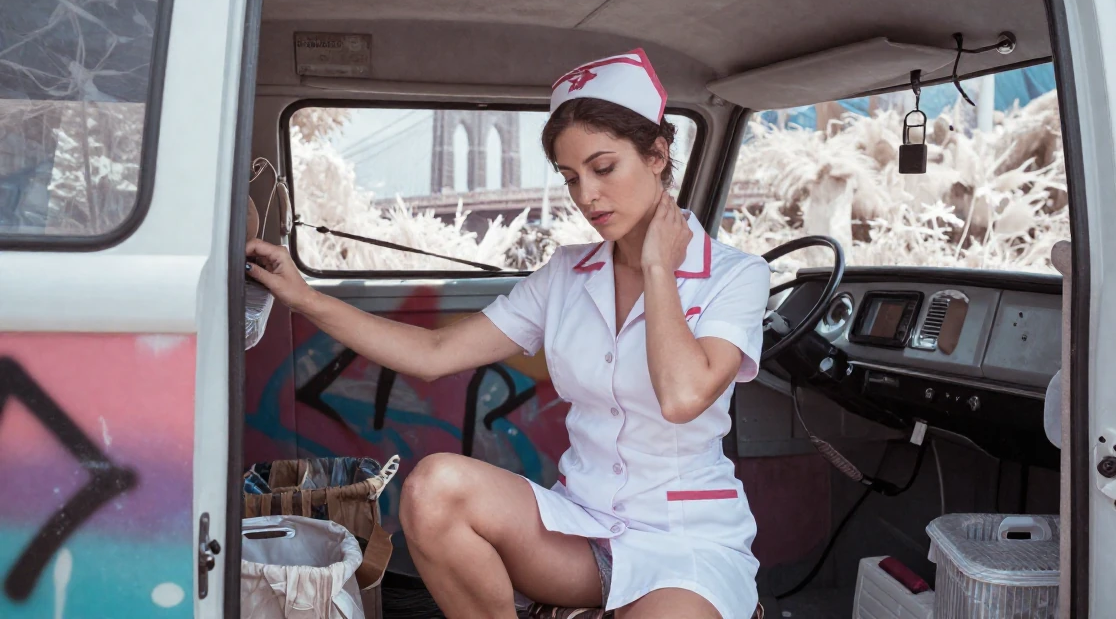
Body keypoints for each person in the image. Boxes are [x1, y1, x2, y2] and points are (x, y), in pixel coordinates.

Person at [246, 48, 770, 619]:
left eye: (603, 168)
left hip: (685, 543)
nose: (586, 197)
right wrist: (305, 298)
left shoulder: (737, 275)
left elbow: (682, 397)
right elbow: (434, 352)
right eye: (571, 178)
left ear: (657, 154)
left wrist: (657, 269)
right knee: (433, 489)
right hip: (580, 531)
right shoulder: (567, 273)